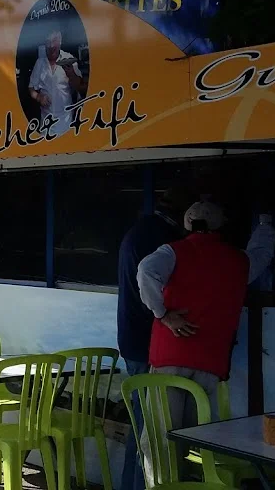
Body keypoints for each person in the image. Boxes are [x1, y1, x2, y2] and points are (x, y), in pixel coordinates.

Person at [136, 202, 275, 484]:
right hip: (211, 363)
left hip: (169, 359)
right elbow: (263, 253)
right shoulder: (238, 261)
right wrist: (266, 222)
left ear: (186, 224)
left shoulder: (173, 252)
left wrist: (163, 315)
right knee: (194, 444)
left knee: (159, 441)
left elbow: (145, 272)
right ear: (220, 227)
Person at [116, 187, 189, 490]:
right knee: (148, 430)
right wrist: (163, 315)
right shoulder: (161, 239)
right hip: (147, 342)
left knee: (141, 426)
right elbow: (149, 277)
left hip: (134, 338)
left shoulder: (140, 230)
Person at [28, 30, 87, 136]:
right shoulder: (40, 63)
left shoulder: (69, 59)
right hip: (46, 125)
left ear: (60, 41)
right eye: (48, 42)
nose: (50, 46)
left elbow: (82, 88)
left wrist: (72, 75)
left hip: (66, 123)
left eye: (53, 42)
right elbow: (31, 88)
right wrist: (38, 97)